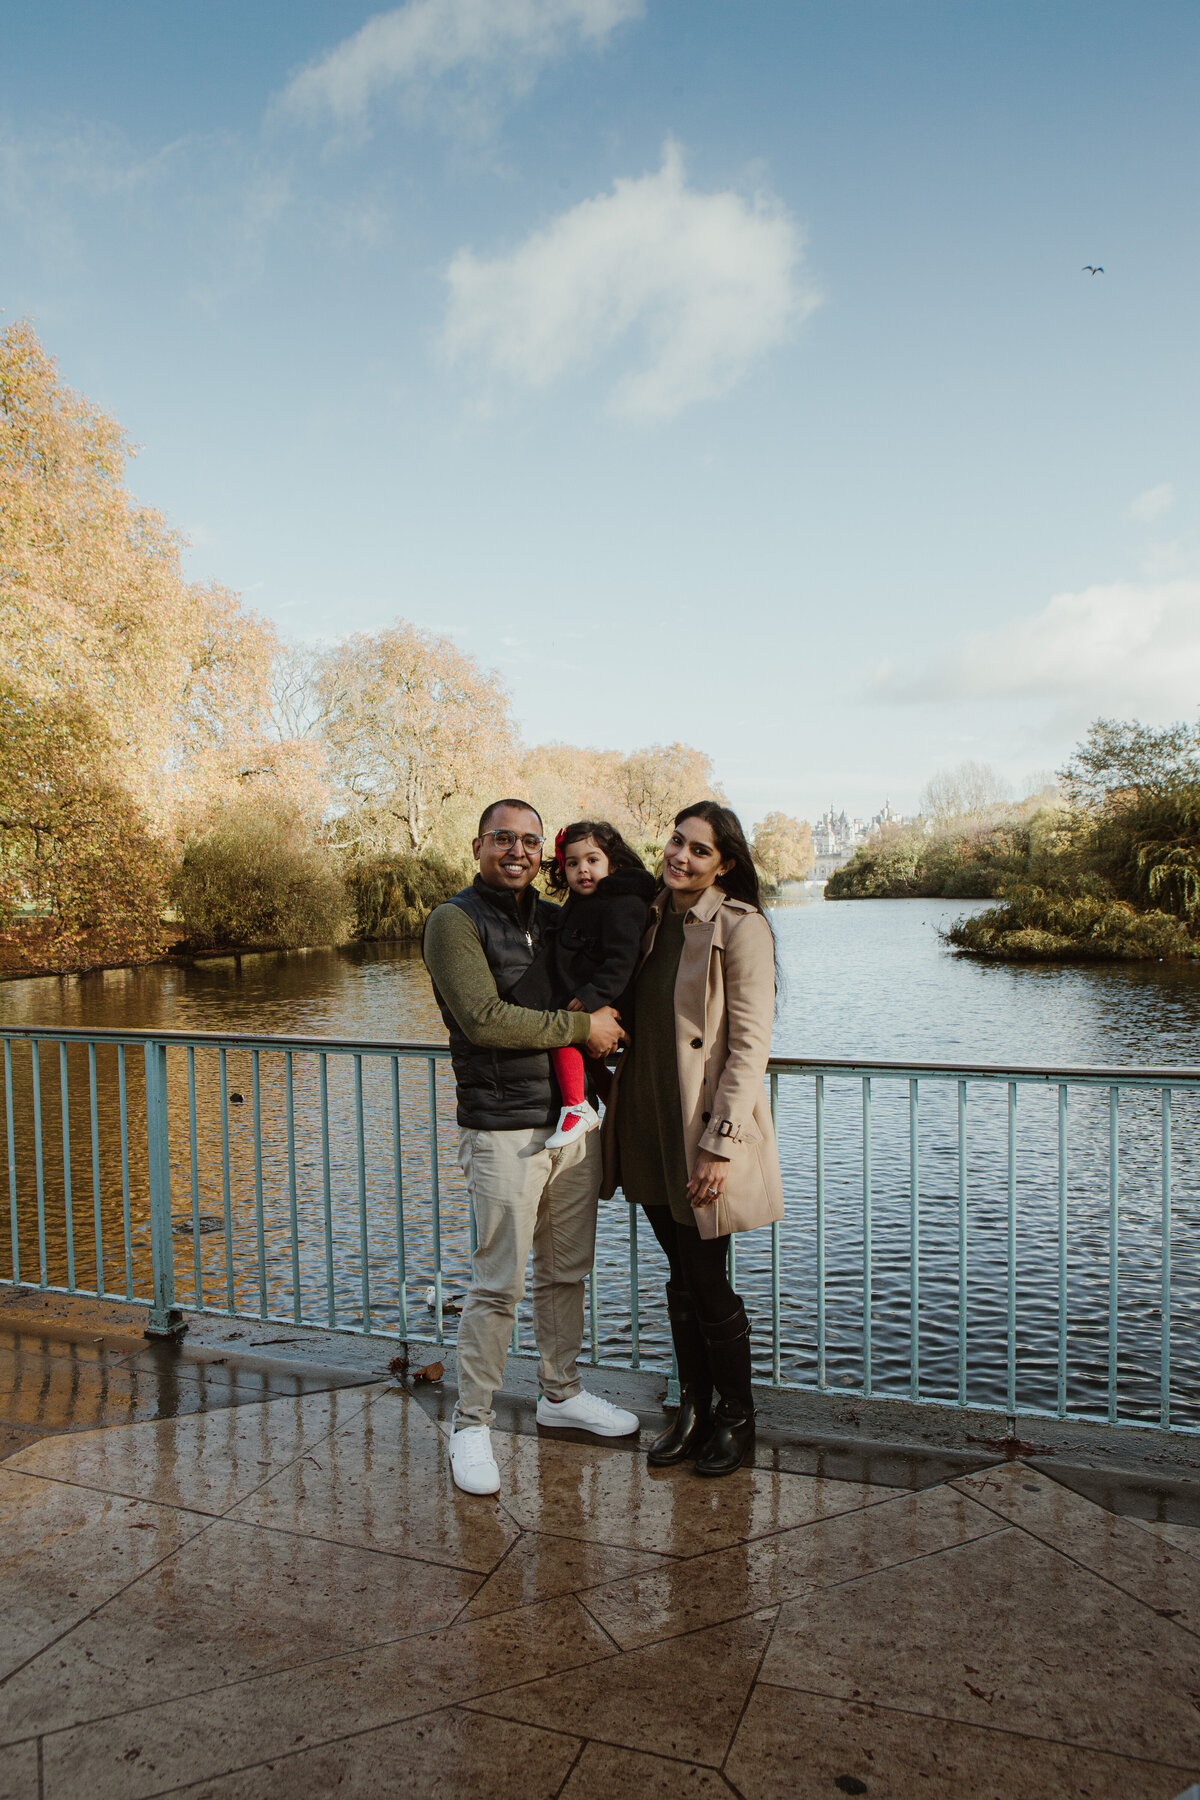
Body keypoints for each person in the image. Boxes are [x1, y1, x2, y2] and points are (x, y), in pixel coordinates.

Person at [423, 798, 640, 1497]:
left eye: (528, 842)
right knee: (498, 1285)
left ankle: (560, 1393)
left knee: (566, 1271)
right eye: (502, 839)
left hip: (573, 1125)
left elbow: (612, 957)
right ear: (478, 844)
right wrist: (580, 1030)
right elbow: (483, 1020)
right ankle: (472, 1423)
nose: (516, 851)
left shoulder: (553, 918)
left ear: (543, 853)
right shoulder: (454, 922)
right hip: (503, 1129)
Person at [601, 801, 784, 1478]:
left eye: (699, 850)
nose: (681, 856)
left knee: (708, 1279)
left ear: (725, 864)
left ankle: (737, 1417)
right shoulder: (648, 915)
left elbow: (749, 1047)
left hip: (700, 1130)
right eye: (677, 842)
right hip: (647, 1120)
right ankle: (693, 1408)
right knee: (680, 1275)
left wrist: (721, 1143)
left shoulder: (740, 926)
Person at [513, 820, 658, 1149]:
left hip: (610, 999)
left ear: (613, 863)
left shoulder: (623, 903)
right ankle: (619, 1107)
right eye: (573, 863)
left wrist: (591, 996)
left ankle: (576, 1106)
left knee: (562, 1028)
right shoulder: (585, 902)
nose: (582, 870)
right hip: (590, 994)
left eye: (593, 860)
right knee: (581, 1048)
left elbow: (622, 960)